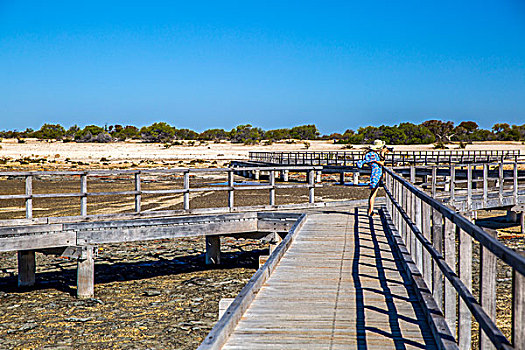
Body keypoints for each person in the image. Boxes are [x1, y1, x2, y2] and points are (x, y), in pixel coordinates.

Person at [357, 139, 392, 217]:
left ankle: (370, 211)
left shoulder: (372, 154)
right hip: (375, 175)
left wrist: (382, 154)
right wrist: (382, 153)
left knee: (373, 194)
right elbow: (382, 163)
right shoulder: (372, 155)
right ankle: (370, 212)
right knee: (373, 194)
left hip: (376, 175)